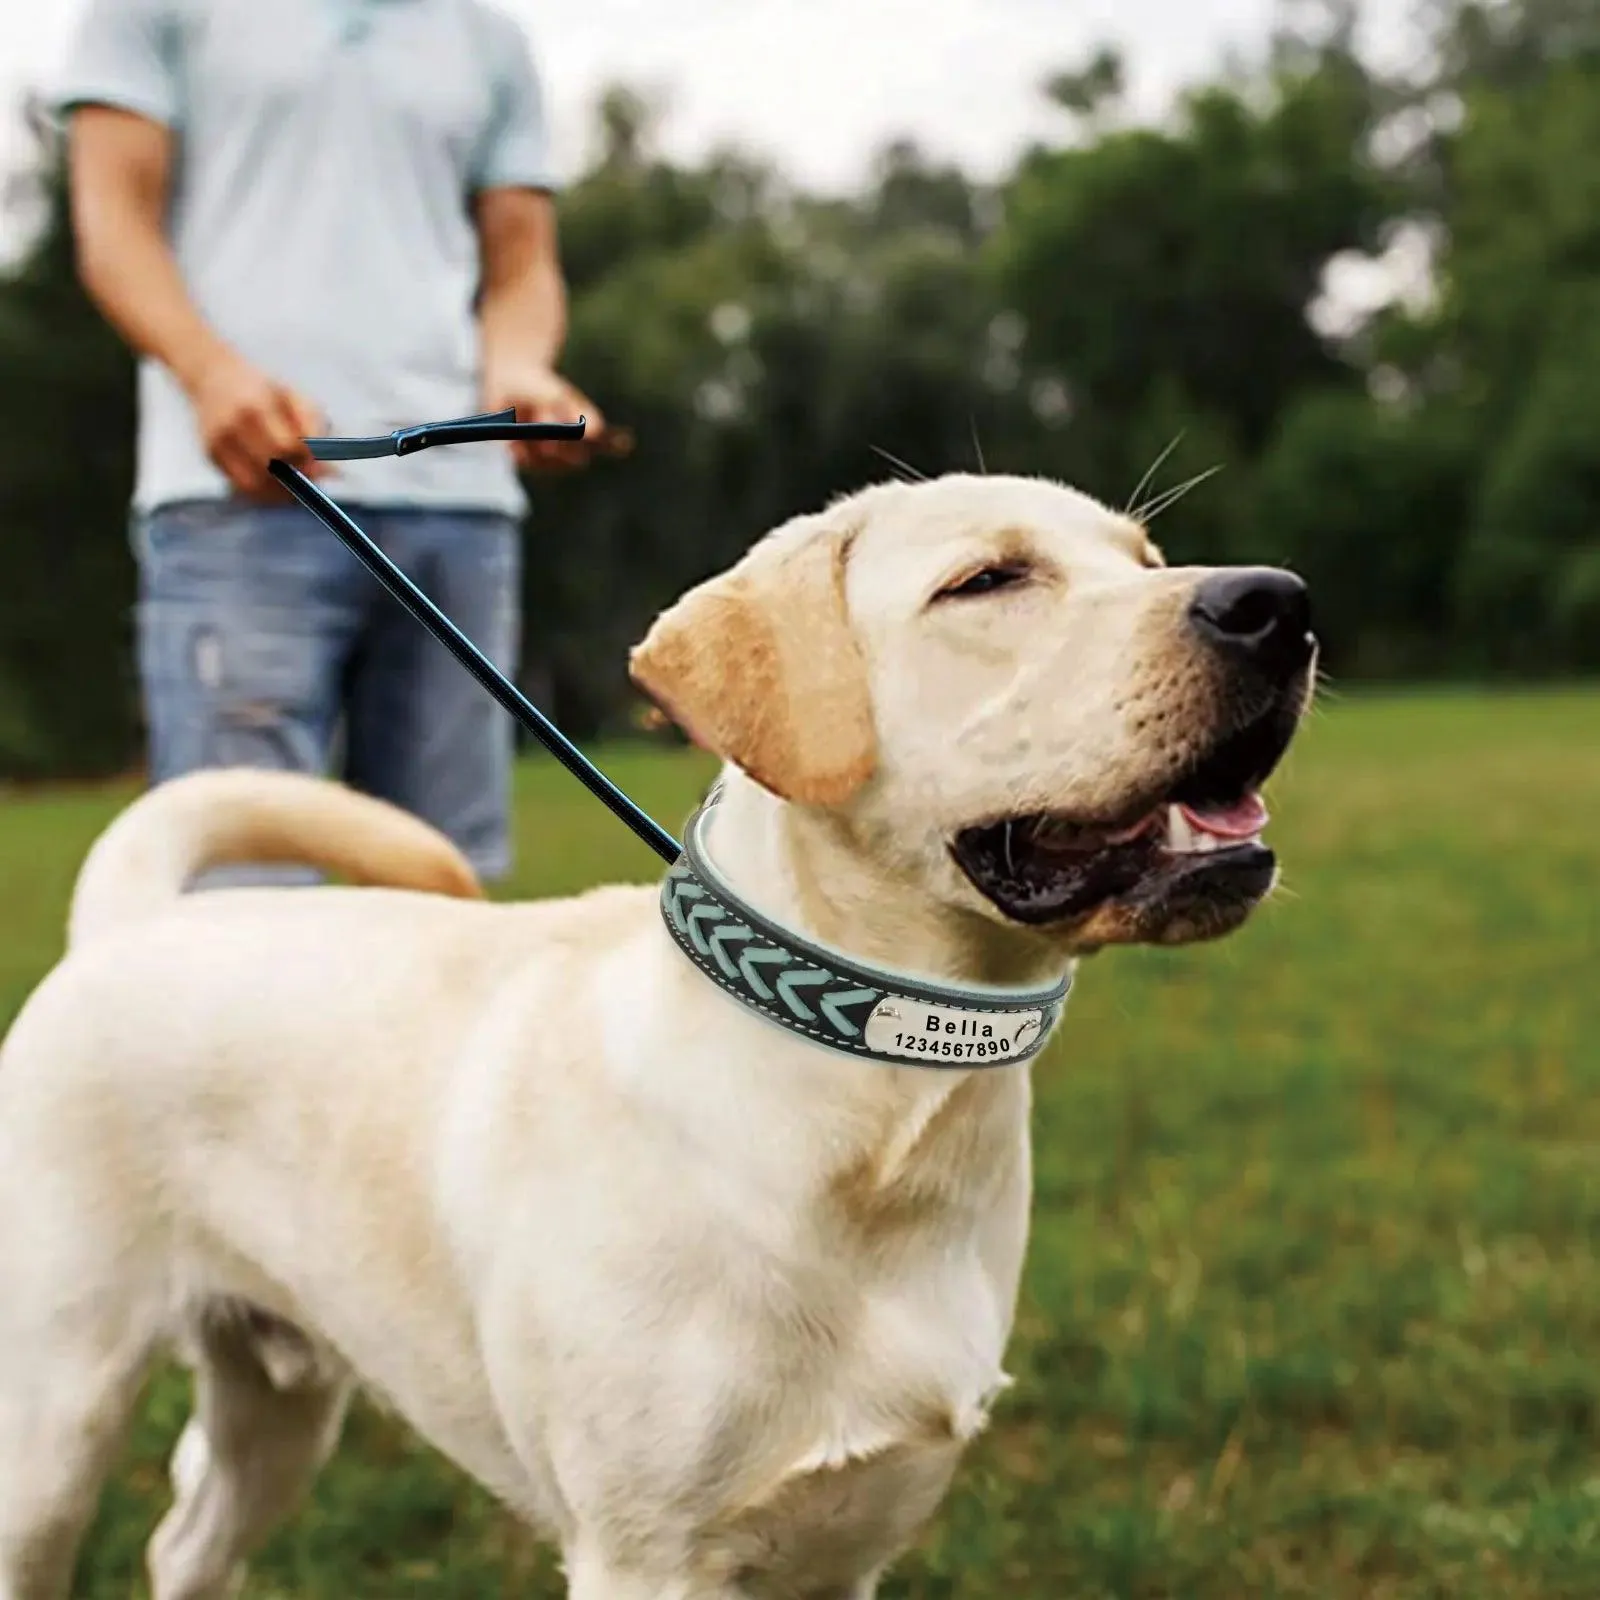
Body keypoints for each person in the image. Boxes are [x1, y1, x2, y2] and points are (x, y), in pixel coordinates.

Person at [56, 0, 604, 885]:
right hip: (239, 499)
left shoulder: (489, 38)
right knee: (237, 899)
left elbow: (521, 263)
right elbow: (113, 221)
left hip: (460, 510)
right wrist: (211, 374)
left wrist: (520, 369)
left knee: (443, 904)